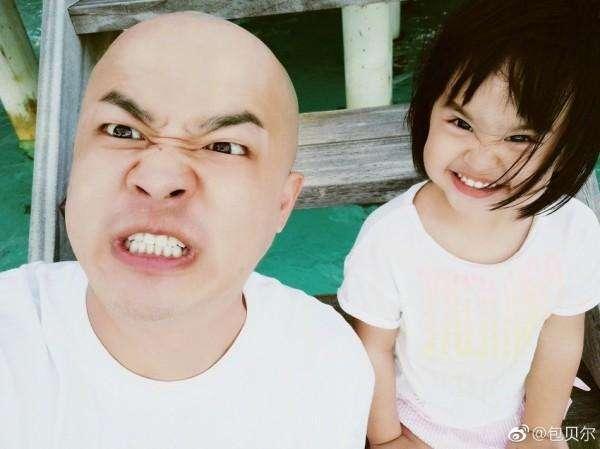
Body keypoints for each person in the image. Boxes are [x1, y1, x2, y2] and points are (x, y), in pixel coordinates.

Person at [0, 12, 374, 449]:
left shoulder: (327, 367)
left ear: (282, 204)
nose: (158, 178)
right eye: (123, 130)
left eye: (224, 146)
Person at [338, 1, 600, 448]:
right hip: (413, 420)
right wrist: (386, 439)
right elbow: (373, 347)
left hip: (523, 414)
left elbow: (560, 334)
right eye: (461, 123)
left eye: (519, 138)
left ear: (569, 148)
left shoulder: (571, 231)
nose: (480, 159)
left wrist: (539, 431)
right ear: (427, 109)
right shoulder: (391, 237)